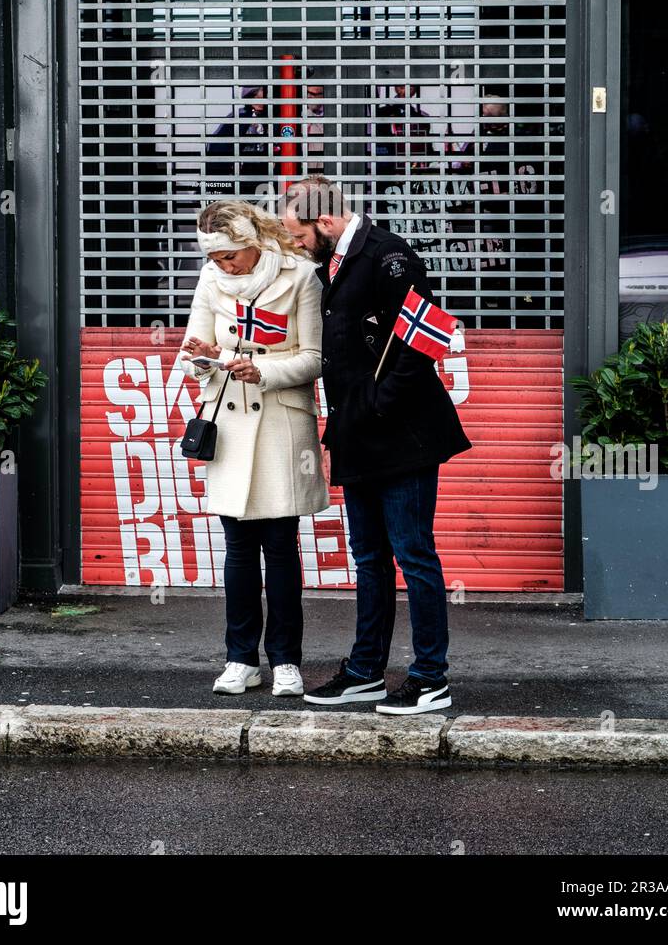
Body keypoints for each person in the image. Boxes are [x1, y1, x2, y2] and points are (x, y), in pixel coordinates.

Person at [280, 176, 472, 714]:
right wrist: (337, 430)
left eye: (297, 234)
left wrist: (380, 404)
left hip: (403, 435)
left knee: (413, 554)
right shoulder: (335, 264)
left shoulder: (391, 257)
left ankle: (430, 678)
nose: (295, 245)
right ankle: (365, 671)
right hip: (358, 434)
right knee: (368, 557)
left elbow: (424, 340)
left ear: (325, 222)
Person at [180, 199, 328, 697]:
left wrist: (262, 371)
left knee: (282, 547)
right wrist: (204, 361)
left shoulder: (300, 275)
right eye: (218, 257)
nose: (225, 265)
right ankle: (240, 658)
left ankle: (286, 659)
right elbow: (192, 351)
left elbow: (313, 359)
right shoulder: (209, 280)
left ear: (252, 241)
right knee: (239, 549)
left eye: (232, 255)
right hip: (228, 421)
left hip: (281, 424)